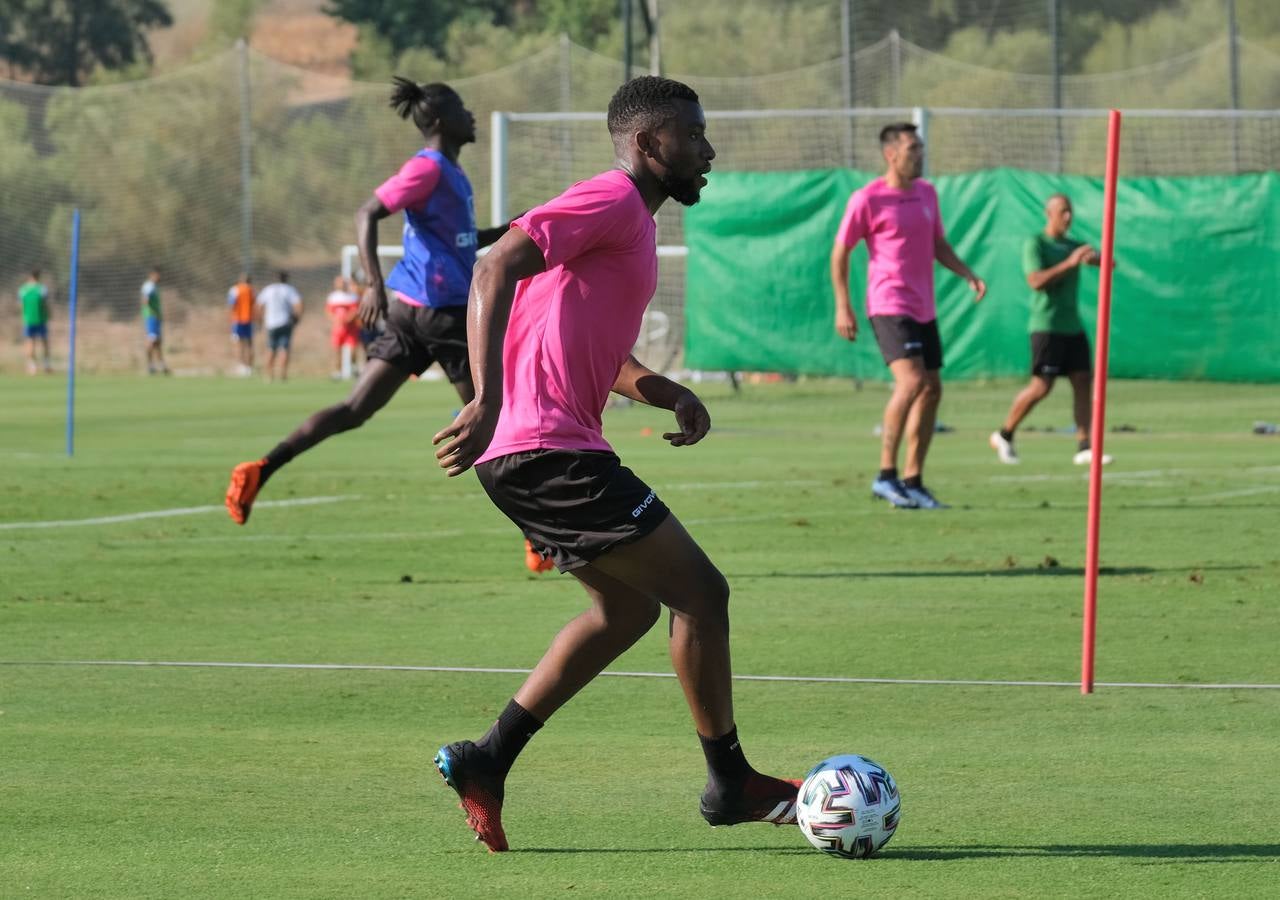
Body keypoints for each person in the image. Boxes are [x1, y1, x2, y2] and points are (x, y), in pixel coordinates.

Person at [430, 76, 800, 853]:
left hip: (541, 450)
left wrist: (663, 390)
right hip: (545, 448)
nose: (707, 149)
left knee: (627, 611)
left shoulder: (622, 225)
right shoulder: (610, 199)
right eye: (692, 134)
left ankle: (486, 760)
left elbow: (590, 341)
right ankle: (729, 782)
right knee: (702, 594)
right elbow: (494, 266)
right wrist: (489, 398)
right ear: (646, 144)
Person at [224, 79, 516, 542]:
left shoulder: (452, 174)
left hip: (414, 314)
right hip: (442, 315)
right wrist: (372, 284)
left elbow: (460, 240)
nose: (472, 115)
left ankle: (262, 468)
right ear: (440, 122)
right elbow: (367, 213)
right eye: (462, 108)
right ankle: (539, 535)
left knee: (354, 409)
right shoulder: (427, 168)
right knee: (494, 420)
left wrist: (511, 229)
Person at [830, 122, 986, 510]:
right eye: (912, 148)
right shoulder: (867, 199)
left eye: (921, 148)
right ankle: (886, 475)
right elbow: (840, 253)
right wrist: (842, 304)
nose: (920, 154)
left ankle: (913, 479)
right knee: (912, 381)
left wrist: (966, 273)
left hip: (924, 306)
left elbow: (937, 243)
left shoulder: (927, 193)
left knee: (933, 388)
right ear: (890, 154)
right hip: (888, 303)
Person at [989, 193, 1113, 466]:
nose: (1068, 217)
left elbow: (1109, 263)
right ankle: (1005, 433)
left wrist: (1099, 260)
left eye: (1070, 211)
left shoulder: (1075, 245)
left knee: (1083, 382)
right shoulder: (1036, 244)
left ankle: (1084, 446)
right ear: (1049, 214)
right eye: (1062, 212)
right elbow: (1035, 281)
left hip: (1073, 327)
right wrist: (1070, 263)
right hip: (1046, 327)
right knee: (1042, 387)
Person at [256, 271, 303, 382]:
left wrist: (260, 319)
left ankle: (268, 375)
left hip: (271, 323)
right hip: (285, 322)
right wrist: (297, 318)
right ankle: (283, 374)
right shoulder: (289, 289)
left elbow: (258, 305)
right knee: (284, 349)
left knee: (271, 348)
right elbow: (299, 304)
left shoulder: (268, 289)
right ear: (286, 279)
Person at [324, 275, 360, 379]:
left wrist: (348, 319)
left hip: (351, 328)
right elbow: (328, 311)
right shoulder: (333, 297)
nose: (341, 284)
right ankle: (337, 371)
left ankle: (354, 367)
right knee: (336, 350)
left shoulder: (353, 296)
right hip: (338, 328)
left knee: (353, 350)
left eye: (343, 282)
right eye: (339, 282)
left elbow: (355, 310)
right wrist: (335, 320)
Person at [19, 270, 52, 375]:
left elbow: (21, 304)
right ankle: (46, 366)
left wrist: (24, 315)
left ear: (30, 277)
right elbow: (45, 304)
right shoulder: (42, 289)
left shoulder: (23, 290)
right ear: (38, 277)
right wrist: (49, 314)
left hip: (28, 320)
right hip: (41, 319)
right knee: (44, 342)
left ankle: (32, 367)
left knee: (30, 342)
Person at [141, 268, 170, 375]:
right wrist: (149, 308)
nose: (159, 277)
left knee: (158, 342)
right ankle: (150, 366)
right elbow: (145, 299)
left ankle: (161, 366)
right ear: (152, 274)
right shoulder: (149, 286)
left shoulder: (154, 286)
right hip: (151, 316)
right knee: (152, 340)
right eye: (158, 275)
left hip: (155, 317)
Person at [227, 273, 255, 375]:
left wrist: (230, 318)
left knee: (239, 344)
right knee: (249, 344)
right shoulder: (252, 290)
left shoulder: (235, 289)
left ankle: (241, 366)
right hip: (249, 320)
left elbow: (231, 304)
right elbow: (254, 304)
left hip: (238, 320)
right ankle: (249, 367)